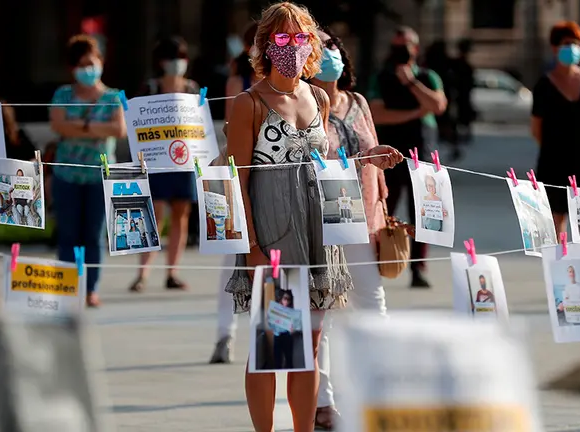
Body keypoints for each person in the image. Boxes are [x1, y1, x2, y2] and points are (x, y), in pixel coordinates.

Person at [224, 3, 402, 431]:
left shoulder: (318, 97)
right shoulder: (248, 104)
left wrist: (365, 156)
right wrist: (250, 248)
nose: (291, 47)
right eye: (281, 39)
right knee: (274, 340)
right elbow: (235, 182)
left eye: (300, 38)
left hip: (321, 231)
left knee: (312, 342)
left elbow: (322, 163)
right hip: (273, 234)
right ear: (265, 46)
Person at [310, 27, 400, 430]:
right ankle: (324, 402)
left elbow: (374, 160)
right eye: (321, 47)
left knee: (371, 301)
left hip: (363, 217)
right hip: (321, 220)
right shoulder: (303, 101)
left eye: (333, 46)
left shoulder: (359, 102)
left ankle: (378, 386)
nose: (330, 53)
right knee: (323, 311)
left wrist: (381, 215)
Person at [49, 35, 126, 307]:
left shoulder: (115, 96)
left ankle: (91, 288)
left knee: (94, 236)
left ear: (101, 62)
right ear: (73, 68)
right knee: (68, 235)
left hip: (99, 176)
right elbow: (59, 126)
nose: (87, 68)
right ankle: (68, 287)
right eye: (81, 64)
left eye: (91, 62)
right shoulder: (62, 95)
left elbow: (119, 130)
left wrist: (78, 125)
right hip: (66, 176)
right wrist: (94, 127)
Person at [368, 26, 447, 288]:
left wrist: (411, 83)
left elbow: (437, 105)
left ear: (416, 48)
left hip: (422, 154)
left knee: (424, 214)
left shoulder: (427, 76)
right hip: (390, 153)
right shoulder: (382, 77)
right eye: (397, 45)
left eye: (406, 45)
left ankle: (418, 268)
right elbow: (377, 114)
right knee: (384, 210)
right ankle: (380, 263)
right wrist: (415, 112)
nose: (401, 50)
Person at [128, 36, 199, 293]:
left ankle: (172, 273)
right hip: (157, 160)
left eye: (181, 57)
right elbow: (135, 120)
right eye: (172, 58)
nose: (177, 63)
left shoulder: (192, 89)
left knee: (181, 214)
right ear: (161, 62)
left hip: (183, 160)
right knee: (154, 215)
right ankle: (143, 273)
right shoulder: (150, 87)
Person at [209, 22, 261, 365]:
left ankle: (267, 335)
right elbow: (231, 132)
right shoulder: (238, 82)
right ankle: (224, 335)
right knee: (233, 260)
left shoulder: (296, 84)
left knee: (270, 264)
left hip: (275, 178)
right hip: (240, 171)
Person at [531, 21, 580, 237]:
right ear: (554, 48)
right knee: (556, 222)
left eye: (576, 44)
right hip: (554, 161)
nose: (573, 48)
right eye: (567, 43)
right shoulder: (544, 85)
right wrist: (556, 146)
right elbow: (536, 128)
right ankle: (562, 269)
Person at [451, 39, 475, 144]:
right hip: (459, 95)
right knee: (458, 116)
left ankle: (461, 134)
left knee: (463, 115)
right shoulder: (459, 64)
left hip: (463, 95)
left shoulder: (461, 64)